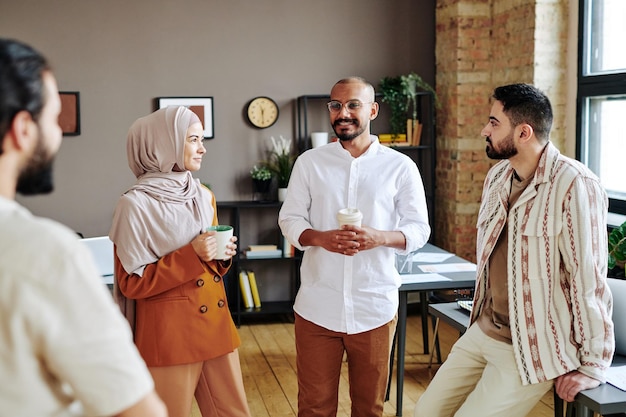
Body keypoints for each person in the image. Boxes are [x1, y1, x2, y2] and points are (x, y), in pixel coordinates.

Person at [414, 83, 614, 417]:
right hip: (482, 329)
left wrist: (593, 364)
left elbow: (588, 280)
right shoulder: (497, 177)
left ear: (523, 132)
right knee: (423, 413)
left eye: (494, 123)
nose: (484, 130)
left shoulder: (575, 184)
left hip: (532, 347)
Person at [0, 38, 166, 416]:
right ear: (23, 128)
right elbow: (139, 410)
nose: (57, 133)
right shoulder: (43, 253)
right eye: (53, 118)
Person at [278, 76, 431, 417]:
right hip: (317, 307)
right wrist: (321, 238)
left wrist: (379, 237)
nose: (342, 112)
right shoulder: (310, 163)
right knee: (314, 408)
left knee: (369, 409)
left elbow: (419, 229)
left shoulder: (400, 167)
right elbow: (289, 221)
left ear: (373, 110)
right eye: (335, 105)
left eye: (352, 105)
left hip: (374, 308)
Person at [109, 106, 251, 417]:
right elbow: (131, 283)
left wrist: (221, 257)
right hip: (170, 336)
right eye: (193, 140)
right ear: (164, 143)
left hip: (216, 326)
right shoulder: (133, 205)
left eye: (202, 140)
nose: (202, 148)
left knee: (234, 413)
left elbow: (209, 262)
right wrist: (193, 254)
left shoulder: (203, 195)